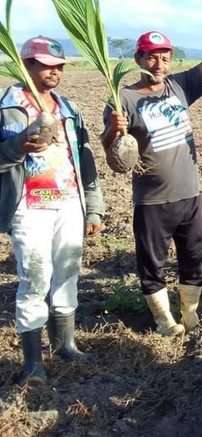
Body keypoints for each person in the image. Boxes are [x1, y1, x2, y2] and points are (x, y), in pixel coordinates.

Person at [101, 7, 202, 335]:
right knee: (153, 263)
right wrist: (112, 129)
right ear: (138, 59)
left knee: (193, 256)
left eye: (165, 57)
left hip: (189, 195)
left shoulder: (178, 87)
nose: (159, 64)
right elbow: (111, 154)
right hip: (152, 199)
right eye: (152, 57)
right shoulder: (123, 98)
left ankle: (190, 314)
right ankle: (164, 320)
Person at [0, 36, 105, 385]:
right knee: (34, 276)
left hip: (68, 203)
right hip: (28, 206)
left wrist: (93, 208)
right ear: (27, 64)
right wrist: (16, 145)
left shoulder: (68, 108)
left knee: (67, 270)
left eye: (59, 67)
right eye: (47, 65)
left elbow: (84, 161)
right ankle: (32, 362)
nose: (54, 72)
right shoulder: (9, 106)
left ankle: (65, 344)